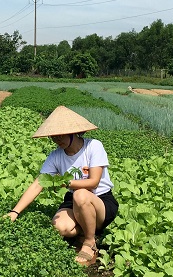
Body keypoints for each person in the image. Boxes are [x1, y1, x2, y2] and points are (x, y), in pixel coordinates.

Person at [7, 106, 119, 266]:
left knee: (80, 194)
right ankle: (88, 226)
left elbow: (93, 182)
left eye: (61, 135)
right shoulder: (55, 156)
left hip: (100, 201)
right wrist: (15, 211)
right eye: (53, 136)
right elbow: (39, 183)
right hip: (74, 201)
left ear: (73, 132)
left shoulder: (93, 146)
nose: (57, 140)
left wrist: (66, 183)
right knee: (60, 227)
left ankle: (89, 242)